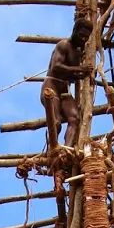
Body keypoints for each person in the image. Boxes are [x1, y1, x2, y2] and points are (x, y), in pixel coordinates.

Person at [41, 18, 93, 150]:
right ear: (74, 31)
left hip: (64, 90)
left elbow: (71, 75)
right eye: (81, 35)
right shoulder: (63, 45)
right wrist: (80, 69)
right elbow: (56, 67)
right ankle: (52, 150)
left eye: (86, 37)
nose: (83, 39)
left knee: (75, 118)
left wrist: (83, 74)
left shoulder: (78, 52)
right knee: (56, 121)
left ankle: (66, 151)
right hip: (51, 86)